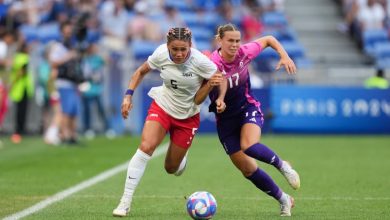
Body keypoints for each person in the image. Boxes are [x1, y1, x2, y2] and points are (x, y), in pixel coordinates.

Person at [112, 27, 226, 217]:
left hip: (188, 115)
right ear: (167, 46)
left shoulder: (200, 61)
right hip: (162, 106)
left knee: (171, 168)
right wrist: (128, 96)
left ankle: (181, 159)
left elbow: (217, 81)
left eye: (183, 49)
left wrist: (219, 96)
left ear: (190, 46)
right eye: (174, 49)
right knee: (146, 146)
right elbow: (140, 72)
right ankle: (125, 201)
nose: (179, 53)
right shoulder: (160, 54)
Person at [202, 23, 300, 217]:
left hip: (247, 108)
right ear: (219, 40)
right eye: (230, 40)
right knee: (247, 169)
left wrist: (284, 55)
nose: (235, 44)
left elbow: (269, 39)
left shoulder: (245, 52)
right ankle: (284, 199)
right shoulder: (211, 63)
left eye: (237, 40)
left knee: (249, 145)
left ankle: (283, 166)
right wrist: (219, 101)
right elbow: (219, 80)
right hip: (225, 121)